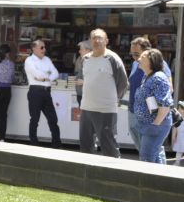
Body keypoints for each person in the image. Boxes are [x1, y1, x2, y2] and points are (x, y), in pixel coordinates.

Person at [79, 29, 128, 158]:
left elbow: (123, 84)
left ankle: (115, 174)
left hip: (106, 110)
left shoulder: (112, 58)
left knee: (108, 146)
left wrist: (113, 100)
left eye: (100, 38)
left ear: (106, 41)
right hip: (86, 108)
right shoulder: (85, 59)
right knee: (85, 146)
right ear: (90, 41)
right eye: (94, 38)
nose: (97, 40)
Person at [128, 37, 172, 153]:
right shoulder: (135, 64)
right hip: (133, 112)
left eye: (137, 54)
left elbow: (168, 89)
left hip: (149, 117)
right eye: (132, 54)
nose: (135, 58)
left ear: (147, 52)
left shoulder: (160, 65)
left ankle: (154, 169)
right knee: (142, 148)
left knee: (151, 150)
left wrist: (156, 121)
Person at [24, 39, 61, 148]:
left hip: (46, 92)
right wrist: (47, 77)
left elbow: (55, 73)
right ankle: (34, 143)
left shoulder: (47, 59)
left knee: (53, 119)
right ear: (33, 49)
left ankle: (56, 144)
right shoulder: (29, 60)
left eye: (44, 47)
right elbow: (38, 75)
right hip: (35, 91)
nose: (44, 50)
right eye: (41, 47)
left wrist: (46, 78)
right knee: (35, 118)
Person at [74, 39, 91, 107]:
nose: (79, 51)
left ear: (88, 50)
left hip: (88, 96)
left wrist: (84, 82)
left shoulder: (94, 63)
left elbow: (98, 80)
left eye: (81, 49)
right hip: (81, 95)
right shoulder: (82, 60)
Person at [172, 101, 184, 166]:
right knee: (179, 151)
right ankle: (177, 162)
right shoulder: (177, 119)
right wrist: (173, 139)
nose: (179, 110)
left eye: (181, 108)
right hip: (180, 139)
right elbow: (175, 130)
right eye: (178, 108)